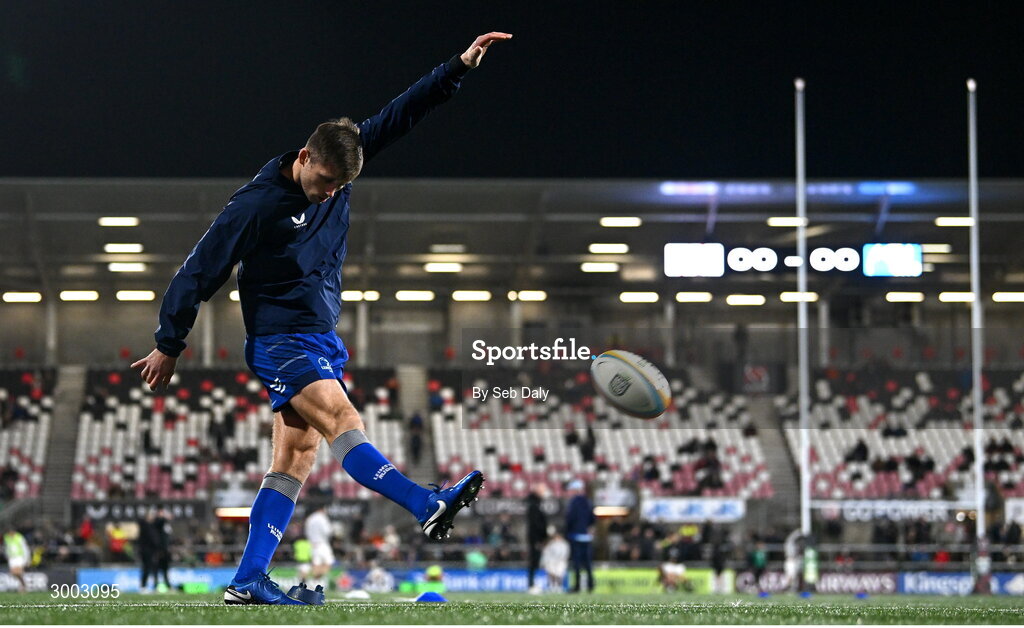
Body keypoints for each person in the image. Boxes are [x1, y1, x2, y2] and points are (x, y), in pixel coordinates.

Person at [129, 32, 511, 606]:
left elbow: (402, 114)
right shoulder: (256, 207)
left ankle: (248, 581)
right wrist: (169, 342)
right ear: (304, 157)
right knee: (342, 417)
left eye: (340, 186)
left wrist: (456, 67)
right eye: (324, 181)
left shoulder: (340, 166)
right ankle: (423, 503)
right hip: (280, 338)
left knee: (294, 458)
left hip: (318, 334)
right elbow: (198, 270)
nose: (329, 192)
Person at [564, 479, 595, 593]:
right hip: (586, 537)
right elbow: (592, 519)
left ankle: (577, 586)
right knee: (587, 562)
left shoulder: (573, 502)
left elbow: (570, 519)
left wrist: (567, 532)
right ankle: (590, 584)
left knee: (576, 562)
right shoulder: (588, 502)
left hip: (575, 536)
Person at [526, 483, 549, 594]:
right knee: (534, 562)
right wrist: (540, 538)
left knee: (535, 562)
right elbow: (536, 524)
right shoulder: (534, 505)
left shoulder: (535, 504)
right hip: (536, 539)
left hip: (536, 538)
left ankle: (532, 583)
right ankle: (531, 584)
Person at [304, 505, 334, 591]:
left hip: (313, 544)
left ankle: (313, 583)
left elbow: (307, 532)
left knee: (316, 564)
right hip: (322, 544)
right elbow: (327, 531)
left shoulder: (310, 519)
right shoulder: (322, 518)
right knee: (328, 562)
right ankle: (315, 581)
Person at [540, 527, 570, 593]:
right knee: (552, 574)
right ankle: (552, 586)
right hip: (551, 562)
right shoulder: (551, 544)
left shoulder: (564, 544)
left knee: (559, 575)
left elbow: (566, 553)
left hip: (560, 562)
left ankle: (559, 586)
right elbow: (546, 553)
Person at [3, 527, 30, 593]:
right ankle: (23, 584)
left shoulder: (19, 537)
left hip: (19, 557)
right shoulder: (6, 537)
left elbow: (25, 548)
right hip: (11, 557)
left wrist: (27, 558)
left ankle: (22, 587)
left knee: (18, 572)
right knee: (14, 573)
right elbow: (6, 547)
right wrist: (7, 555)